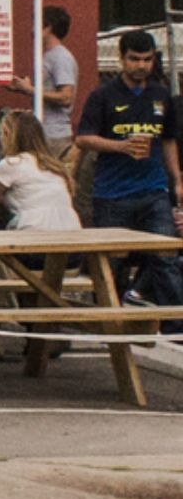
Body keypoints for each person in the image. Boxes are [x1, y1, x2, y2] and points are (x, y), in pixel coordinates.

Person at [75, 29, 180, 304]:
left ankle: (175, 325)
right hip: (112, 192)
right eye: (134, 59)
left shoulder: (161, 95)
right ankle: (110, 319)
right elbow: (83, 138)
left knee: (166, 255)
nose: (141, 66)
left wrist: (177, 179)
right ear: (122, 58)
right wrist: (121, 146)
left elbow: (168, 140)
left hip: (153, 188)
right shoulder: (103, 95)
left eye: (146, 59)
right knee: (112, 262)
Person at [0, 108, 79, 231]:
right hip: (69, 224)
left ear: (7, 135)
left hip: (34, 225)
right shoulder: (54, 166)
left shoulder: (12, 164)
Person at [38, 5, 78, 136]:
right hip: (46, 131)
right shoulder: (50, 55)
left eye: (35, 22)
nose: (32, 29)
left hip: (55, 134)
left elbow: (66, 97)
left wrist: (28, 89)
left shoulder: (60, 57)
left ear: (47, 27)